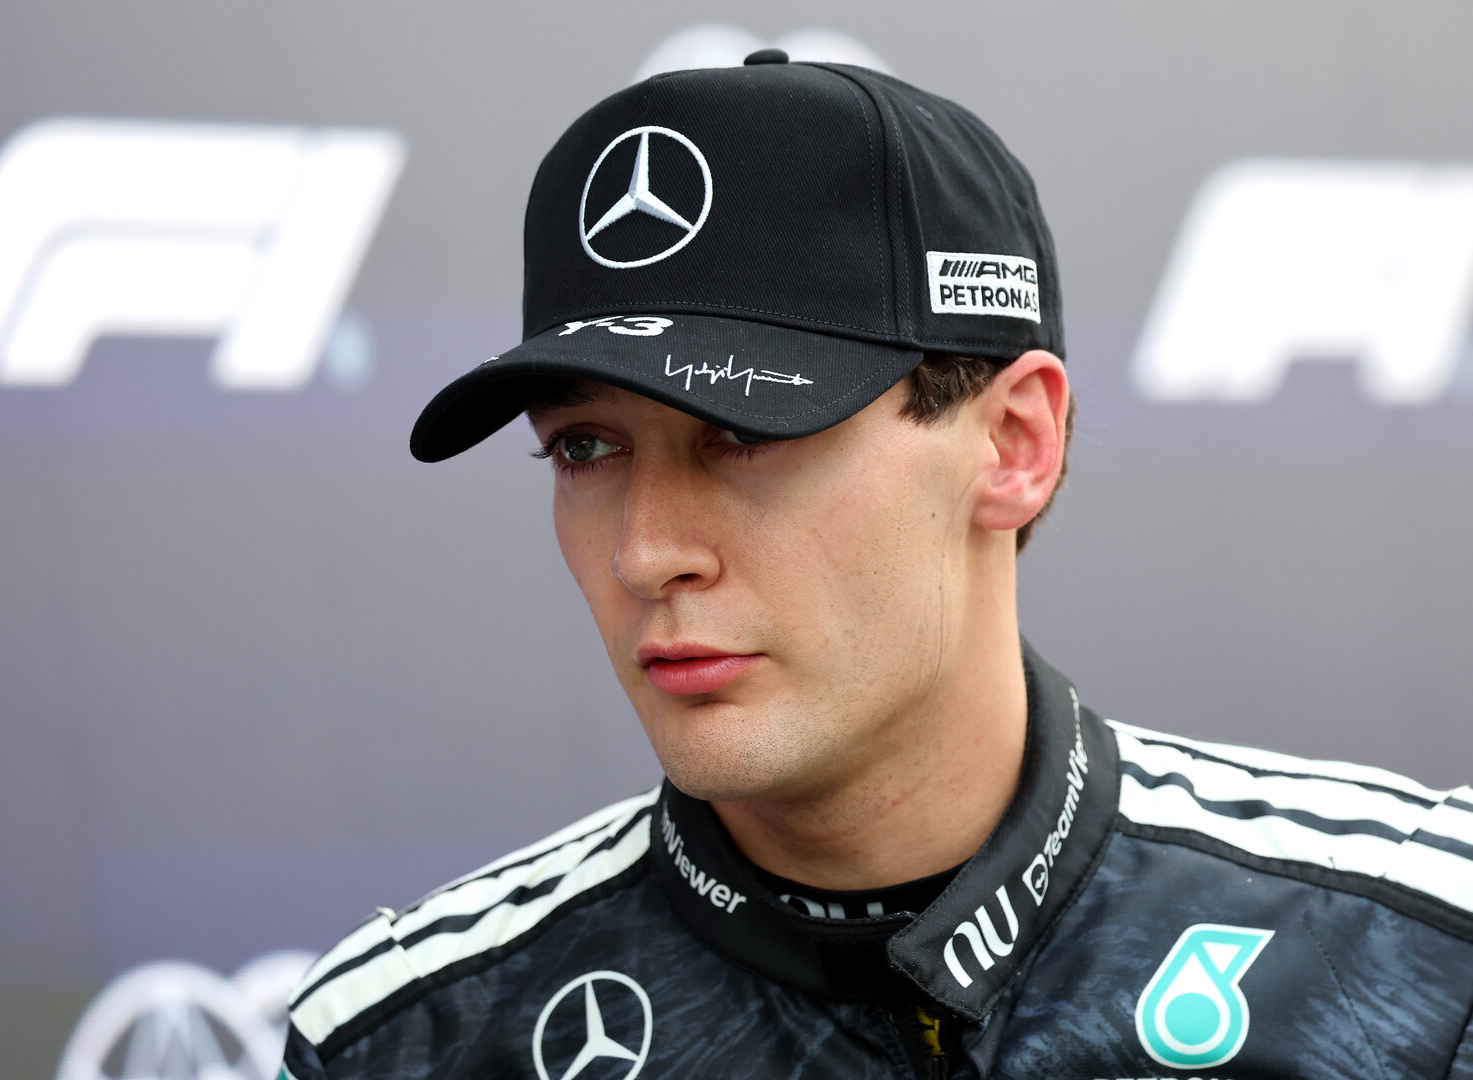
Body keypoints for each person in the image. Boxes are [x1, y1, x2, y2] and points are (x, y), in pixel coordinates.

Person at [283, 53, 1473, 1078]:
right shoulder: (412, 1036)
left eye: (742, 433)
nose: (645, 552)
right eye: (586, 448)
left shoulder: (1421, 953)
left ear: (1015, 445)